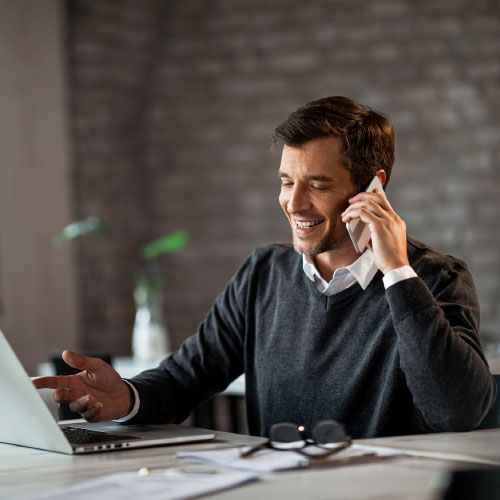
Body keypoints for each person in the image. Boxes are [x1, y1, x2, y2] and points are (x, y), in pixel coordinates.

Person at [34, 96, 496, 439]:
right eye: (286, 181)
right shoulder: (263, 274)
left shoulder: (435, 278)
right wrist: (127, 397)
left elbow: (457, 412)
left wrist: (396, 270)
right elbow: (184, 378)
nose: (294, 203)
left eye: (317, 184)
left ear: (373, 187)